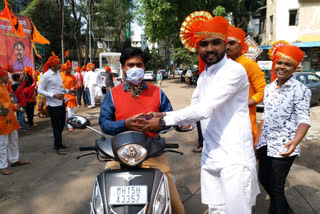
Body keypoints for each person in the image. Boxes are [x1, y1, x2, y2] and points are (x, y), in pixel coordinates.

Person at [142, 13, 260, 214]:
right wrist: (163, 116)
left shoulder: (234, 71)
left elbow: (205, 109)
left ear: (224, 44)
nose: (210, 48)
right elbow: (195, 107)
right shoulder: (205, 75)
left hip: (234, 157)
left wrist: (164, 122)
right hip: (210, 154)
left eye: (216, 43)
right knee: (215, 209)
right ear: (198, 47)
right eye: (204, 44)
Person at [99, 47, 185, 214]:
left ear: (144, 67)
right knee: (103, 196)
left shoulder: (157, 93)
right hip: (120, 155)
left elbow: (171, 117)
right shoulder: (113, 95)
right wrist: (125, 124)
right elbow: (104, 123)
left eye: (139, 64)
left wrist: (159, 123)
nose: (135, 68)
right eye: (130, 65)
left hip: (153, 153)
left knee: (175, 206)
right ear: (123, 68)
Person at [255, 42, 311, 214]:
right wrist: (258, 139)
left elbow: (304, 119)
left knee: (277, 187)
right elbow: (265, 115)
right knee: (263, 179)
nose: (282, 67)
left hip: (285, 144)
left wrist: (295, 142)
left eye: (288, 64)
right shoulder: (269, 88)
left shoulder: (300, 90)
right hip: (265, 142)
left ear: (295, 68)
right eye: (279, 62)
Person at [226, 26, 267, 145]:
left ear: (241, 46)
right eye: (226, 43)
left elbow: (263, 92)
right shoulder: (225, 65)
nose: (228, 47)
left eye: (232, 43)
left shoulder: (249, 64)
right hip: (228, 119)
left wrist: (244, 104)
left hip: (245, 119)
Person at [0, 65, 30, 175]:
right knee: (2, 143)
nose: (8, 77)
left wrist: (13, 106)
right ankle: (2, 166)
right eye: (6, 75)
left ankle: (14, 160)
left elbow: (5, 102)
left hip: (10, 117)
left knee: (14, 139)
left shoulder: (4, 86)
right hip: (1, 120)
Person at [38, 56, 68, 155]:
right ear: (53, 65)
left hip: (61, 103)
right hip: (52, 105)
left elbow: (59, 88)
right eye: (58, 63)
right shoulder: (46, 75)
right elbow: (39, 90)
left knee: (62, 124)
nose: (60, 65)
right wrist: (53, 95)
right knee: (56, 126)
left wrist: (68, 91)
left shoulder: (58, 73)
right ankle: (58, 146)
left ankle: (58, 143)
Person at [61, 61, 78, 132]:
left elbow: (77, 84)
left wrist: (74, 88)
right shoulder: (59, 75)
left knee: (71, 110)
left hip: (70, 96)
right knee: (62, 112)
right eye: (68, 69)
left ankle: (70, 125)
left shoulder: (73, 76)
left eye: (70, 69)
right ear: (64, 69)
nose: (70, 70)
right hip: (61, 96)